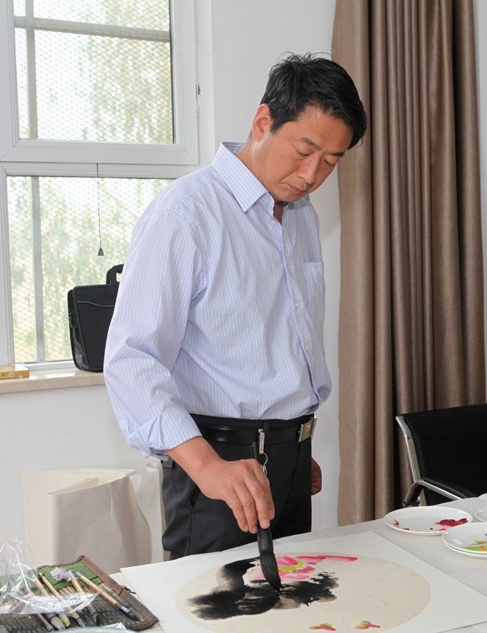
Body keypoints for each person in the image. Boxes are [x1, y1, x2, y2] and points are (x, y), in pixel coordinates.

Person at [104, 53, 367, 558]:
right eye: (304, 150)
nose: (311, 174)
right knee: (212, 601)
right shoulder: (185, 214)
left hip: (289, 459)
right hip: (218, 468)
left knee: (296, 599)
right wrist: (207, 467)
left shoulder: (301, 216)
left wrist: (291, 447)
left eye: (331, 162)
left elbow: (280, 339)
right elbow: (132, 359)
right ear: (263, 121)